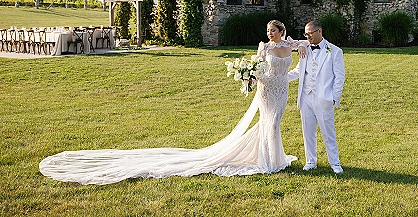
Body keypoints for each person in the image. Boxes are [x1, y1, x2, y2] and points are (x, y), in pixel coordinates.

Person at [39, 20, 307, 185]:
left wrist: (304, 54)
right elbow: (259, 67)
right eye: (268, 31)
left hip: (281, 90)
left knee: (273, 125)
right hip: (266, 89)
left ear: (281, 31)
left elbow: (308, 45)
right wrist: (250, 77)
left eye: (273, 31)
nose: (269, 34)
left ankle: (272, 157)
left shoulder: (290, 44)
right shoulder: (264, 47)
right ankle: (271, 163)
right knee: (269, 124)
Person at [288, 20, 346, 174]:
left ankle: (335, 163)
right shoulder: (305, 48)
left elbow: (339, 77)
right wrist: (278, 78)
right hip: (305, 96)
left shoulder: (335, 51)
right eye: (305, 34)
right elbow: (297, 71)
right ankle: (310, 161)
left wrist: (334, 98)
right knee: (307, 131)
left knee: (328, 132)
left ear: (319, 31)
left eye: (309, 34)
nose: (307, 37)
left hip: (324, 98)